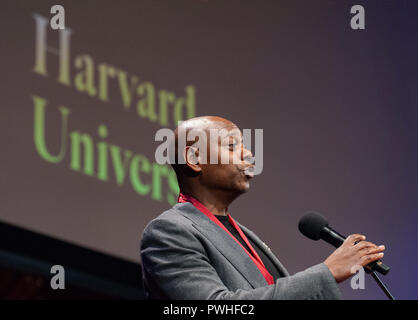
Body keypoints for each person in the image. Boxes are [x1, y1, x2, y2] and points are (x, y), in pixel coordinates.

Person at [140, 116, 385, 299]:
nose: (249, 155)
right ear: (194, 160)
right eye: (233, 146)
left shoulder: (245, 235)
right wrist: (326, 273)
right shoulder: (169, 231)